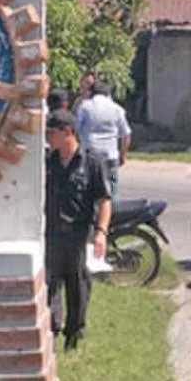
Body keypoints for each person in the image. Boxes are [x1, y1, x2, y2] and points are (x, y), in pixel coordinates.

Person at [45, 110, 112, 351]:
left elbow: (104, 200)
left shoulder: (91, 163)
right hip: (51, 234)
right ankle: (51, 330)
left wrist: (101, 232)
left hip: (77, 233)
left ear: (68, 132)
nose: (48, 137)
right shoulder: (47, 163)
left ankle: (73, 335)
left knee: (77, 285)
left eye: (52, 132)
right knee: (49, 283)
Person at [74, 80, 132, 199]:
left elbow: (75, 130)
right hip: (110, 154)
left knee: (88, 191)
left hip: (90, 153)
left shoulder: (85, 107)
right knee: (111, 191)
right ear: (108, 94)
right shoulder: (117, 109)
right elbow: (126, 135)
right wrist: (123, 155)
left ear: (91, 92)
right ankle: (113, 214)